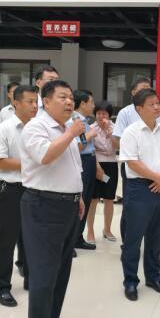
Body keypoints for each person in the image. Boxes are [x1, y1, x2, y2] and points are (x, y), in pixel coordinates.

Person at [19, 80, 86, 318]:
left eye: (71, 97)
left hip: (67, 206)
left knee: (61, 270)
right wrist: (71, 133)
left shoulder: (65, 129)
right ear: (46, 102)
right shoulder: (36, 127)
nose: (69, 102)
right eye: (62, 97)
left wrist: (78, 196)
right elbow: (45, 156)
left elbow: (72, 167)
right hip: (43, 206)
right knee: (44, 274)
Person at [119, 88, 160, 301]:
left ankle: (153, 277)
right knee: (133, 240)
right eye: (151, 104)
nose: (156, 107)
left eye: (157, 103)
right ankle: (130, 281)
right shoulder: (131, 132)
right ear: (139, 109)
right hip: (139, 189)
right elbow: (132, 162)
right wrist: (158, 177)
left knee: (155, 238)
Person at [0, 85, 38, 307]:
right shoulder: (4, 129)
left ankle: (30, 278)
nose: (34, 106)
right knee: (7, 239)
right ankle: (1, 287)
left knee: (32, 237)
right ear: (16, 103)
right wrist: (32, 163)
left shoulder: (39, 128)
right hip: (11, 189)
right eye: (30, 102)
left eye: (36, 102)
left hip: (35, 188)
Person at [112, 77, 160, 242]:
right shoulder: (125, 113)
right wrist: (136, 148)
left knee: (154, 208)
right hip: (133, 167)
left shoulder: (159, 113)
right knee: (131, 207)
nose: (147, 91)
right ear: (134, 93)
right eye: (142, 89)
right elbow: (116, 140)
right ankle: (127, 242)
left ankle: (149, 243)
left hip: (156, 168)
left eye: (149, 88)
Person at [86, 101, 118, 243]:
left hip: (111, 164)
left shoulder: (115, 128)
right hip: (96, 164)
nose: (101, 116)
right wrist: (97, 167)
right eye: (98, 113)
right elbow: (89, 149)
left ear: (109, 115)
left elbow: (118, 147)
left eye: (104, 113)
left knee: (109, 199)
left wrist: (110, 133)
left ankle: (107, 229)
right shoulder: (91, 128)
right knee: (93, 199)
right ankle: (90, 231)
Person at [73, 90, 98, 251]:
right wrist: (90, 135)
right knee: (80, 200)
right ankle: (71, 240)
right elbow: (79, 146)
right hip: (82, 160)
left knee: (87, 199)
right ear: (82, 103)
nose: (93, 106)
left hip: (90, 161)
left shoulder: (84, 121)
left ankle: (78, 238)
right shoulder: (76, 121)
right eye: (91, 102)